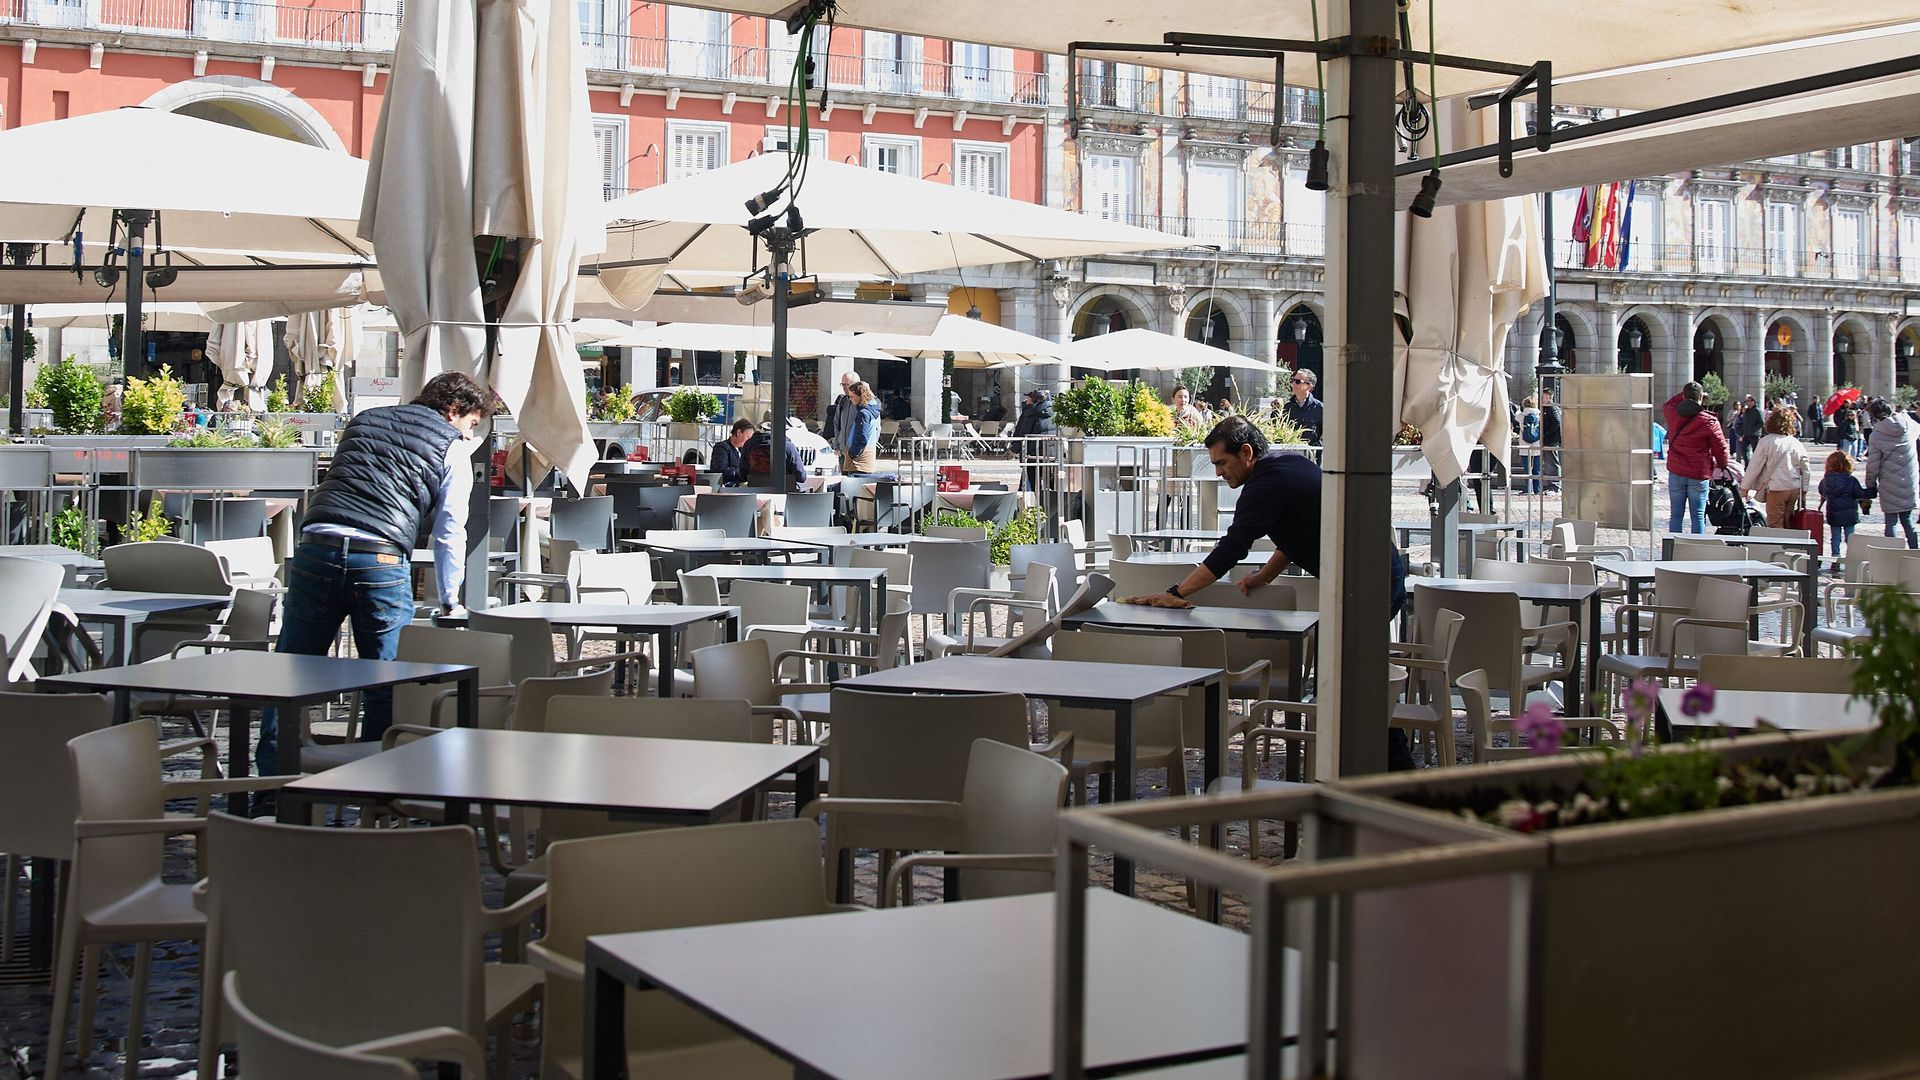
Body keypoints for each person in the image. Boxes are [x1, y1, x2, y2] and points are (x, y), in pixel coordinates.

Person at [258, 371, 490, 785]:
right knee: (386, 680)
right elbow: (451, 529)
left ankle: (269, 790)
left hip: (318, 544)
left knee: (289, 675)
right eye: (473, 424)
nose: (472, 435)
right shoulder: (452, 448)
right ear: (454, 410)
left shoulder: (365, 419)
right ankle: (372, 791)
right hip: (380, 557)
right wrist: (450, 598)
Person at [1160, 416, 1413, 768]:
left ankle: (1390, 763)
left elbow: (1232, 549)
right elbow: (1302, 530)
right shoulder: (1288, 464)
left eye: (1221, 462)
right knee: (1346, 670)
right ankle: (1360, 758)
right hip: (1378, 575)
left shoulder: (1264, 486)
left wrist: (1176, 591)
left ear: (1246, 452)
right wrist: (1265, 574)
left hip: (1370, 583)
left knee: (1351, 675)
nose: (1218, 472)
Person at [1663, 381, 1732, 534]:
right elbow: (1720, 447)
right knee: (1698, 515)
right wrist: (1722, 464)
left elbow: (1669, 403)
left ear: (1684, 396)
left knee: (1675, 515)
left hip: (1677, 470)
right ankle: (1696, 548)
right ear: (1701, 397)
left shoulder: (1672, 413)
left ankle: (1673, 548)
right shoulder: (1709, 421)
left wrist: (1685, 395)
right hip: (1698, 473)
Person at [1864, 399, 1919, 548]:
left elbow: (1873, 465)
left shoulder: (1876, 435)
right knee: (1908, 521)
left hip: (1889, 483)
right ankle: (1916, 552)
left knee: (1891, 521)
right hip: (1909, 480)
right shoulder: (1909, 426)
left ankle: (1892, 554)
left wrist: (1870, 486)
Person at [1742, 408, 1809, 528]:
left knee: (1775, 523)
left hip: (1776, 487)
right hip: (1793, 488)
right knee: (1788, 521)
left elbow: (1754, 466)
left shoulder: (1766, 442)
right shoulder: (1795, 443)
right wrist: (1804, 490)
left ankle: (1779, 546)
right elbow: (1806, 468)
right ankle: (1789, 544)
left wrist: (1745, 487)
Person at [1818, 450, 1869, 561]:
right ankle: (1851, 557)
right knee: (1850, 537)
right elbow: (1860, 493)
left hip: (1833, 513)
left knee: (1835, 537)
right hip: (1849, 514)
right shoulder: (1851, 480)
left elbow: (1822, 491)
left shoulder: (1826, 480)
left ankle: (1835, 556)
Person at [1012, 387, 1055, 492]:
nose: (1026, 400)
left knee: (1032, 481)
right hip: (1050, 453)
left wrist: (1014, 449)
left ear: (1035, 400)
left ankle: (1035, 504)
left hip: (1032, 453)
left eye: (1029, 398)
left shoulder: (1031, 414)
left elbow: (1023, 433)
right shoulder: (1053, 412)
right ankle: (1048, 503)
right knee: (1048, 480)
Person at [842, 381, 883, 476]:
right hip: (868, 456)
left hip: (858, 460)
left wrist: (853, 453)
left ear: (861, 396)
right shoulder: (872, 410)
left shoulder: (863, 413)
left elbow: (862, 437)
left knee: (852, 486)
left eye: (852, 396)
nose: (850, 399)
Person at [1280, 368, 1325, 446]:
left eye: (1297, 382)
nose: (1293, 384)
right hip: (1290, 454)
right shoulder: (1287, 407)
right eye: (1292, 381)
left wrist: (1314, 448)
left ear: (1309, 386)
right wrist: (1276, 411)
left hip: (1311, 455)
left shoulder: (1320, 408)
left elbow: (1327, 436)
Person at [711, 419, 754, 486]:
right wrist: (742, 472)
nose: (749, 441)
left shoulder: (743, 450)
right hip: (727, 486)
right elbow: (720, 470)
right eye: (748, 437)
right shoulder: (722, 447)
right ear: (738, 432)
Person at [826, 371, 857, 457]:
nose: (844, 387)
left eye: (848, 384)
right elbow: (836, 424)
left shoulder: (864, 403)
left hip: (857, 453)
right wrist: (837, 446)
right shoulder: (843, 401)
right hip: (842, 451)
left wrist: (859, 449)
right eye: (843, 384)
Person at [1518, 395, 1544, 493]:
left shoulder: (1521, 416)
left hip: (1524, 446)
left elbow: (1515, 417)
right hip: (1537, 445)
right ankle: (1537, 489)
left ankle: (1528, 489)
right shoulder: (1539, 416)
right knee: (1536, 469)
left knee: (1527, 469)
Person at [1540, 388, 1563, 493]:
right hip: (1549, 440)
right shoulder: (1548, 408)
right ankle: (1551, 484)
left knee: (1552, 462)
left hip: (1551, 440)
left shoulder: (1551, 407)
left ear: (1548, 397)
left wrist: (1547, 433)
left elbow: (1556, 421)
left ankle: (1554, 485)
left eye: (1543, 396)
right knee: (1549, 462)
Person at [1737, 395, 1765, 465]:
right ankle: (1747, 465)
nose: (1748, 403)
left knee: (1755, 451)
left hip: (1754, 435)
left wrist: (1754, 429)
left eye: (1750, 401)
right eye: (1747, 401)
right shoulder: (1746, 411)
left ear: (1753, 402)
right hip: (1746, 434)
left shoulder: (1757, 411)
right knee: (1744, 451)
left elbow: (1761, 422)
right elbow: (1743, 422)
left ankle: (1756, 466)